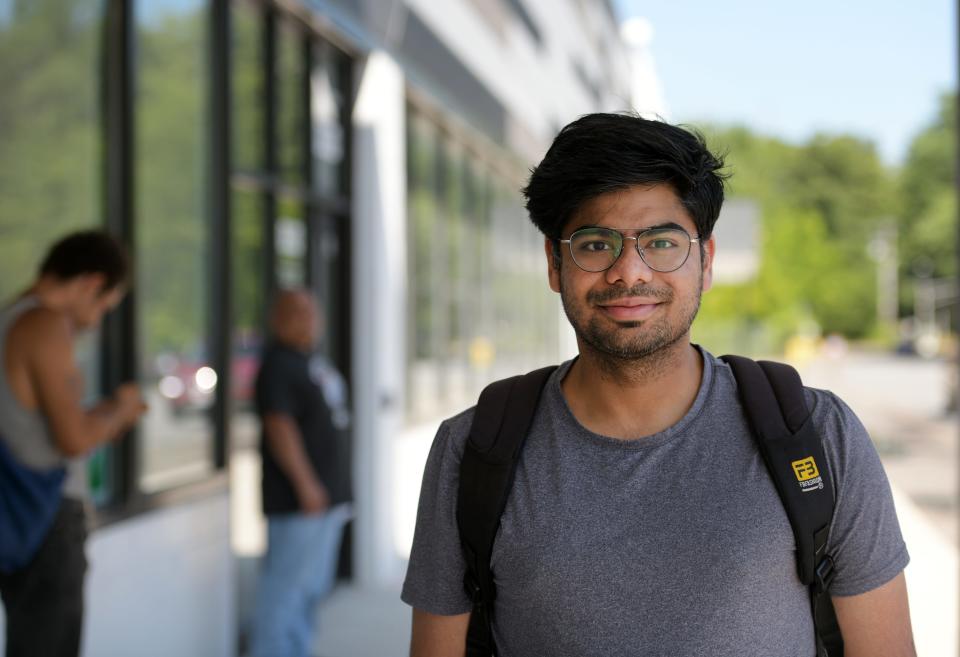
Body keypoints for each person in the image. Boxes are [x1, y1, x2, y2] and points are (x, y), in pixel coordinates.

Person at [402, 113, 915, 656]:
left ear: (705, 261)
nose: (629, 271)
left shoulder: (817, 435)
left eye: (662, 242)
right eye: (596, 244)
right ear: (555, 264)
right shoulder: (474, 451)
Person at [0, 230, 146, 657]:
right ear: (90, 283)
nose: (97, 319)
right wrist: (121, 409)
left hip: (17, 511)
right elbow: (74, 439)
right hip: (46, 517)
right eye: (104, 305)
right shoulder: (44, 325)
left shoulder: (9, 317)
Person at [249, 288, 352, 657]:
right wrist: (306, 484)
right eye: (296, 312)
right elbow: (280, 426)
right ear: (276, 319)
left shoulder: (309, 361)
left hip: (325, 501)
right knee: (284, 596)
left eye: (312, 311)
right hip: (299, 502)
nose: (307, 319)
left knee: (310, 592)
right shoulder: (278, 364)